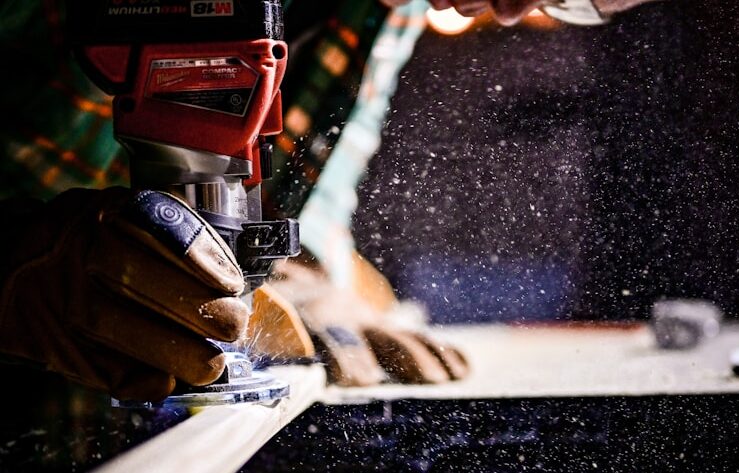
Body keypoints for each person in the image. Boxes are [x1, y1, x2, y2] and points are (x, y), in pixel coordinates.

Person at [0, 0, 655, 402]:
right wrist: (12, 265)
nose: (513, 12)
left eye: (577, 5)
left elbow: (320, 192)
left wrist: (300, 279)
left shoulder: (388, 8)